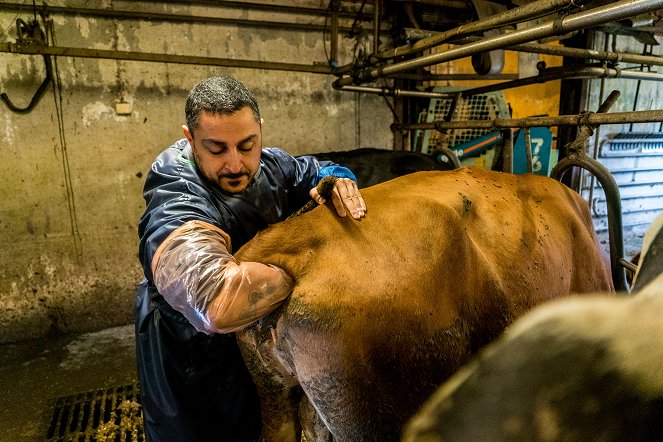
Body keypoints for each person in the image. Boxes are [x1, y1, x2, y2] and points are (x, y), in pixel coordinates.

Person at [134, 75, 367, 441]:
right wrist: (318, 265)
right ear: (189, 138)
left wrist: (337, 178)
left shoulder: (270, 165)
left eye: (247, 145)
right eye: (216, 149)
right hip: (193, 356)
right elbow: (216, 298)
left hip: (252, 345)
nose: (235, 164)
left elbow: (314, 169)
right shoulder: (176, 190)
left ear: (259, 130)